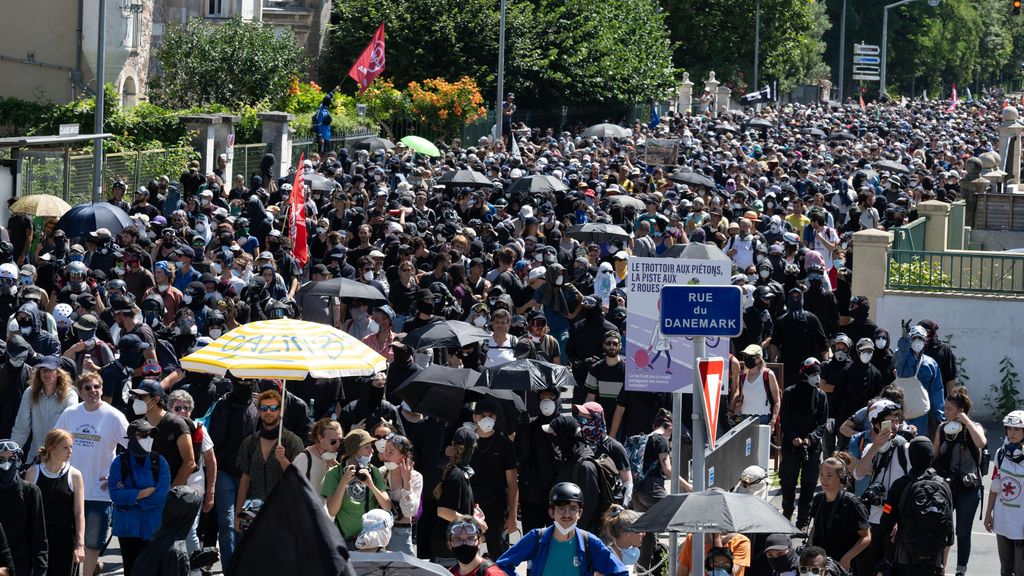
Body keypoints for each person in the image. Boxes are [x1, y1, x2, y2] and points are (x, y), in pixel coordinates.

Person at [54, 371, 129, 576]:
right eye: (87, 388)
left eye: (97, 387)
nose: (93, 391)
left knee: (93, 543)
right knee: (70, 541)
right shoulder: (70, 413)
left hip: (99, 492)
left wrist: (119, 475)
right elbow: (54, 443)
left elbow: (133, 448)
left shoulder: (114, 416)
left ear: (102, 389)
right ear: (80, 392)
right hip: (70, 490)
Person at [496, 482, 628, 576]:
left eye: (573, 509)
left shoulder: (590, 542)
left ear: (580, 513)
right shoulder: (536, 538)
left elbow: (621, 572)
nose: (567, 514)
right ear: (551, 512)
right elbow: (502, 565)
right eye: (561, 508)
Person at [852, 399, 911, 576]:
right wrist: (876, 445)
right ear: (876, 424)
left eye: (896, 420)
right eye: (889, 421)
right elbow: (858, 473)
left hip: (895, 522)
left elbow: (912, 485)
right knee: (867, 568)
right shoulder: (871, 447)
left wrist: (901, 519)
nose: (894, 425)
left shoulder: (905, 448)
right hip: (874, 518)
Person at [878, 436, 953, 576]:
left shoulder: (900, 485)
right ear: (931, 456)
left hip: (904, 558)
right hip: (933, 559)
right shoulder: (944, 485)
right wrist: (943, 563)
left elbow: (885, 522)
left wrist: (887, 557)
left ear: (911, 457)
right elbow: (949, 530)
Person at [931, 387, 986, 576]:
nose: (945, 412)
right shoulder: (942, 428)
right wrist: (941, 433)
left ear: (960, 410)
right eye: (945, 409)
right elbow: (935, 456)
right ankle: (940, 567)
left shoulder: (974, 427)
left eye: (949, 409)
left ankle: (961, 569)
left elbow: (981, 443)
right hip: (946, 486)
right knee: (942, 528)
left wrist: (966, 421)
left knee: (963, 531)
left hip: (969, 487)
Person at [234, 389, 304, 533]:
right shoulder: (250, 441)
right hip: (254, 509)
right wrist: (237, 514)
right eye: (264, 408)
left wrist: (283, 459)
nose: (268, 412)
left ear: (280, 411)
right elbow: (244, 480)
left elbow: (298, 478)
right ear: (259, 411)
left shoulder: (292, 441)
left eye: (273, 408)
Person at [109, 419, 172, 575]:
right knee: (131, 570)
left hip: (152, 527)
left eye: (151, 434)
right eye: (143, 435)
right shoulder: (119, 462)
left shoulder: (160, 462)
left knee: (153, 571)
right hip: (127, 528)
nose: (148, 438)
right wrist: (142, 493)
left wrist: (130, 497)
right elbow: (115, 495)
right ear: (131, 437)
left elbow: (161, 496)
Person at [24, 429, 85, 576]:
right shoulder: (33, 473)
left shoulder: (75, 475)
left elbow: (79, 512)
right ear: (51, 448)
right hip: (38, 538)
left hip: (65, 539)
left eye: (71, 447)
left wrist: (80, 544)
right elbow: (25, 511)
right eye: (65, 447)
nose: (70, 451)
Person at [165, 390, 217, 555]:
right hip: (167, 487)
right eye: (178, 408)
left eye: (186, 408)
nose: (182, 411)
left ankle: (195, 570)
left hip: (193, 489)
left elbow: (211, 461)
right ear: (169, 409)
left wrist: (211, 491)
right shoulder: (163, 427)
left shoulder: (199, 429)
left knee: (189, 533)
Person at [779, 358, 828, 529]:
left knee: (809, 484)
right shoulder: (790, 393)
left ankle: (802, 520)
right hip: (791, 446)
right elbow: (784, 419)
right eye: (813, 373)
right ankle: (786, 515)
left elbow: (823, 423)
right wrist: (793, 437)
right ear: (805, 373)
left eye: (818, 373)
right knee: (788, 482)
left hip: (812, 448)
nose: (816, 377)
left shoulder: (821, 396)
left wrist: (811, 438)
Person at [322, 429, 392, 547]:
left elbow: (387, 506)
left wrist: (371, 485)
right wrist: (343, 482)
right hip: (345, 541)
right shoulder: (334, 473)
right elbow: (332, 511)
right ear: (354, 450)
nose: (372, 451)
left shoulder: (374, 471)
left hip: (371, 540)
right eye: (367, 447)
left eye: (371, 446)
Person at [129, 485, 219, 576]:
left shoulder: (161, 534)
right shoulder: (176, 549)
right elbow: (173, 564)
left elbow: (164, 566)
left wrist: (200, 558)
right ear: (187, 516)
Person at [807, 457, 870, 573]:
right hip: (819, 563)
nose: (824, 480)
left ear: (841, 478)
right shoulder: (818, 498)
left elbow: (866, 537)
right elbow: (815, 527)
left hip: (840, 566)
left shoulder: (851, 502)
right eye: (822, 475)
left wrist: (846, 559)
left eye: (829, 475)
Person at [11, 354, 78, 460]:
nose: (46, 373)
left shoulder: (70, 395)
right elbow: (21, 427)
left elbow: (71, 427)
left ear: (58, 373)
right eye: (43, 370)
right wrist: (12, 452)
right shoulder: (30, 392)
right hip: (36, 456)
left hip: (59, 458)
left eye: (50, 370)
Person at [984, 410, 1024, 576]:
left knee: (1021, 570)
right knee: (1005, 569)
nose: (1012, 433)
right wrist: (988, 514)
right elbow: (995, 487)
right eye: (1009, 429)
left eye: (1017, 429)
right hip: (1004, 520)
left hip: (1021, 522)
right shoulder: (1001, 454)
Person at [0, 439, 47, 576]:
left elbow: (39, 538)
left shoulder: (31, 491)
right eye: (1, 460)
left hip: (23, 565)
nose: (7, 465)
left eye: (11, 459)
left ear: (18, 461)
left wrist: (41, 571)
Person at [431, 426, 478, 560]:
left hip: (456, 542)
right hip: (448, 546)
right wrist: (473, 522)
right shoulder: (456, 474)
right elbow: (444, 512)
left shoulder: (461, 472)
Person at [894, 324, 945, 438]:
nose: (917, 341)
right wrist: (904, 339)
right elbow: (897, 360)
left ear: (925, 340)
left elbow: (937, 390)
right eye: (914, 338)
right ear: (909, 340)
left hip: (922, 410)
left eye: (921, 338)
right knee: (901, 440)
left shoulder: (931, 363)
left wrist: (940, 415)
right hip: (902, 408)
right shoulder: (903, 359)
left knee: (918, 440)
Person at [379, 433, 422, 554]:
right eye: (385, 450)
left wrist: (407, 483)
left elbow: (409, 512)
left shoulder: (415, 477)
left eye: (391, 452)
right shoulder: (381, 472)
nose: (385, 455)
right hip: (380, 530)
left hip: (401, 532)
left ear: (402, 457)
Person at [731, 344, 779, 426]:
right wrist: (733, 413)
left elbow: (777, 400)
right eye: (745, 355)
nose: (747, 358)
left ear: (759, 358)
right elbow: (743, 399)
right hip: (744, 419)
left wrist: (773, 420)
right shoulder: (743, 376)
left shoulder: (768, 375)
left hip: (763, 419)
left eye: (750, 356)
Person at [292, 418, 342, 493]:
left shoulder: (337, 457)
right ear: (320, 438)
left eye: (340, 440)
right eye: (333, 441)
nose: (338, 445)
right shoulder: (304, 459)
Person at [676, 533, 751, 576]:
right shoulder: (693, 538)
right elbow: (681, 573)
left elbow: (728, 573)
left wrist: (716, 540)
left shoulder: (741, 541)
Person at [600, 504, 644, 569]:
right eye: (639, 531)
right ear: (626, 533)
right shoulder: (607, 558)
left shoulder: (629, 552)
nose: (643, 533)